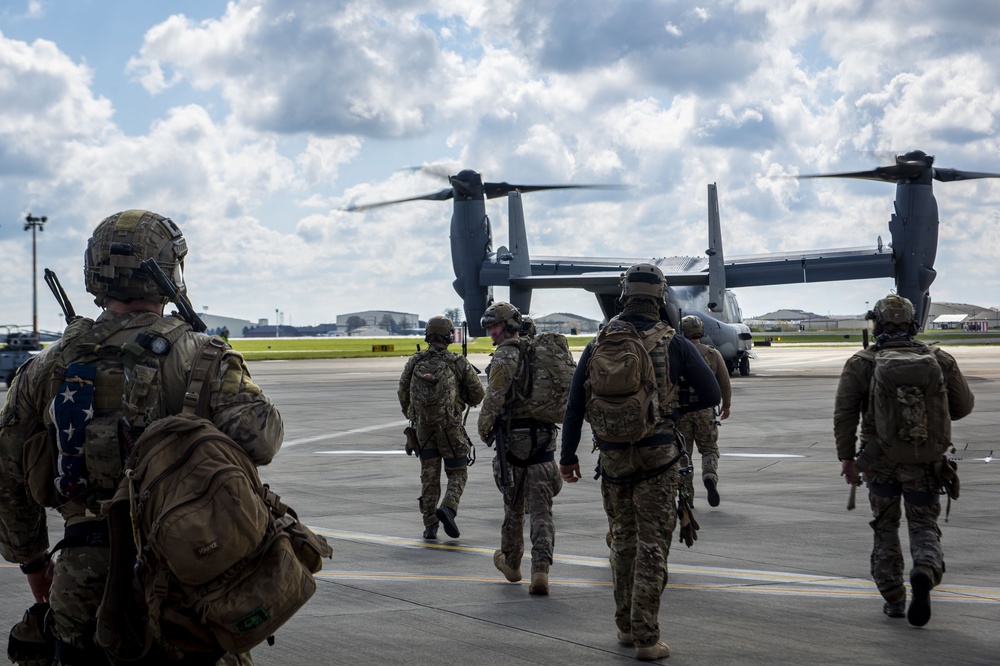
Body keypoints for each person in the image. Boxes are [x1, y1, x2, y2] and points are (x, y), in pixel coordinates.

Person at [0, 210, 283, 666]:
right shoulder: (204, 356)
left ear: (95, 273)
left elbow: (9, 482)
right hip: (193, 582)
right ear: (169, 271)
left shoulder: (45, 367)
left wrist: (37, 571)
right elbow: (263, 439)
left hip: (80, 590)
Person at [559, 264, 720, 661]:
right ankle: (647, 638)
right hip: (660, 457)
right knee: (652, 546)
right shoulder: (675, 342)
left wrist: (567, 457)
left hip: (613, 459)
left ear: (623, 294)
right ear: (660, 296)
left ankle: (624, 628)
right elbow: (711, 392)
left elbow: (575, 404)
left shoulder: (600, 343)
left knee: (622, 541)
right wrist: (670, 408)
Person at [835, 293, 973, 627]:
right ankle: (924, 569)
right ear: (914, 323)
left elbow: (844, 415)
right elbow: (962, 406)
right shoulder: (940, 359)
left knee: (885, 527)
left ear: (878, 323)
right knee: (924, 525)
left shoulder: (861, 363)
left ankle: (894, 597)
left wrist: (847, 458)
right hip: (925, 462)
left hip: (878, 463)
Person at [478, 302, 562, 596]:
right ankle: (541, 571)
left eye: (493, 327)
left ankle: (512, 563)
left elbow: (495, 396)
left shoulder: (506, 354)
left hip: (513, 440)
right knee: (542, 510)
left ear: (508, 326)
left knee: (513, 508)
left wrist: (483, 428)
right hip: (544, 440)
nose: (491, 333)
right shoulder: (539, 351)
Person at [397, 316, 484, 540]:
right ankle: (448, 506)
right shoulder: (457, 362)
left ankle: (429, 524)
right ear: (448, 336)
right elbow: (478, 395)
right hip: (450, 428)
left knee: (429, 475)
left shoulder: (415, 361)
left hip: (423, 430)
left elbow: (402, 393)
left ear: (427, 335)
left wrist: (415, 416)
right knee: (457, 471)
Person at [677, 315, 731, 507]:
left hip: (682, 411)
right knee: (709, 449)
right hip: (706, 411)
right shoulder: (712, 354)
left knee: (684, 454)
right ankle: (709, 475)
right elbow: (724, 382)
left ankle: (686, 496)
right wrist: (726, 405)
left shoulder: (676, 353)